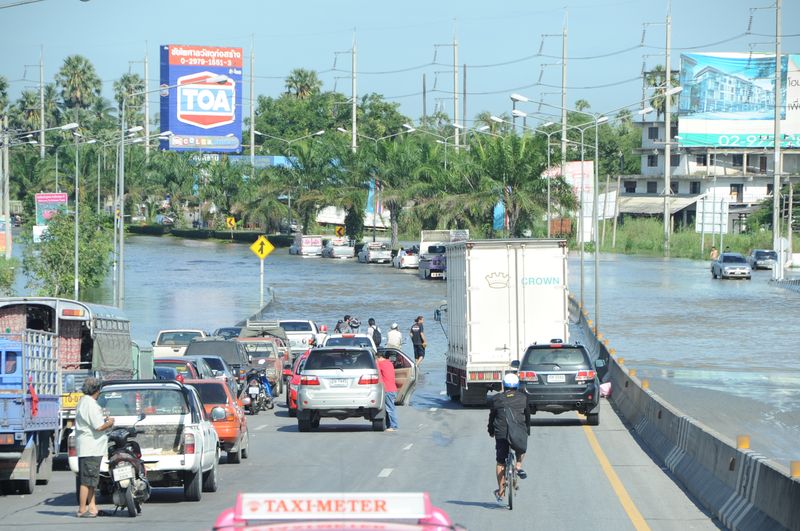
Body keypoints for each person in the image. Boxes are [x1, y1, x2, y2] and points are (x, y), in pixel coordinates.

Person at [74, 377, 115, 518]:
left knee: (92, 480)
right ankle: (82, 509)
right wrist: (109, 422)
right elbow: (98, 426)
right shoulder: (90, 404)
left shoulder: (84, 401)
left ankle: (92, 507)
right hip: (90, 447)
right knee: (87, 481)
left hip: (90, 447)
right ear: (97, 390)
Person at [488, 373, 530, 505]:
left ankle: (501, 491)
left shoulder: (496, 399)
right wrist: (527, 431)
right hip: (518, 431)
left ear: (504, 385)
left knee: (500, 462)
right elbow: (527, 416)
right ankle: (518, 466)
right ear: (517, 386)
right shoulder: (523, 398)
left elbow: (492, 417)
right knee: (521, 448)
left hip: (501, 433)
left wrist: (491, 431)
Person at [376, 350, 399, 431]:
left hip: (387, 389)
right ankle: (389, 425)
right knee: (389, 408)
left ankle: (394, 426)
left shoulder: (379, 364)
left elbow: (378, 376)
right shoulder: (389, 363)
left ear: (378, 357)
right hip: (393, 389)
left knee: (390, 409)